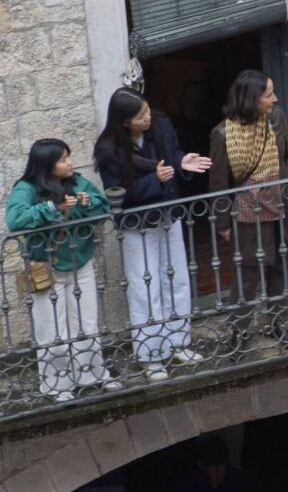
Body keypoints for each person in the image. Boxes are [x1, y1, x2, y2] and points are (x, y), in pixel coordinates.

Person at [92, 87, 211, 378]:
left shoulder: (161, 123)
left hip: (168, 215)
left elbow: (171, 156)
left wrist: (180, 162)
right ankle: (151, 355)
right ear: (124, 122)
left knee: (177, 279)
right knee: (145, 288)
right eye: (140, 116)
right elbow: (116, 193)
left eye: (146, 111)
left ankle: (179, 342)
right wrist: (154, 181)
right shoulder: (108, 149)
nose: (147, 118)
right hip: (137, 225)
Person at [5, 138, 115, 399]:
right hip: (47, 267)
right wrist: (51, 207)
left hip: (80, 262)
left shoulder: (77, 182)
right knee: (51, 328)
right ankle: (57, 385)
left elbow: (102, 205)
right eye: (63, 159)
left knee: (87, 322)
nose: (70, 163)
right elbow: (15, 218)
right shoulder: (26, 188)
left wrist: (87, 203)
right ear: (47, 165)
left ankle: (92, 374)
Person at [207, 70, 288, 347]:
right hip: (248, 210)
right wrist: (222, 224)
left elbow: (285, 156)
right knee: (249, 270)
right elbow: (219, 182)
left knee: (280, 264)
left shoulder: (277, 118)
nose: (275, 99)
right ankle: (238, 332)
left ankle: (279, 323)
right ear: (251, 99)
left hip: (281, 201)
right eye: (268, 95)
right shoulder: (222, 134)